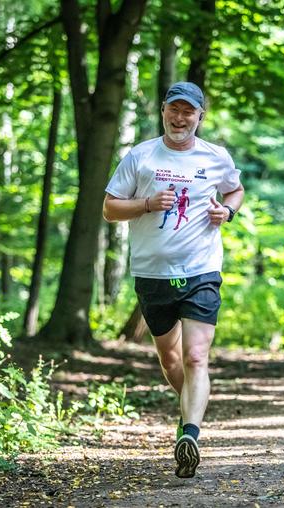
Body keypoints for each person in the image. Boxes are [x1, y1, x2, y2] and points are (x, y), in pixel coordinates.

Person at [102, 81, 245, 478]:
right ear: (163, 110)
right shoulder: (141, 156)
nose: (180, 118)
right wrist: (147, 204)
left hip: (201, 269)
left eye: (188, 112)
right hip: (152, 274)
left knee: (196, 356)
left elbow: (235, 191)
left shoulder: (215, 157)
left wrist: (227, 213)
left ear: (200, 117)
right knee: (169, 358)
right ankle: (188, 415)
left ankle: (191, 434)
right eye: (173, 109)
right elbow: (110, 209)